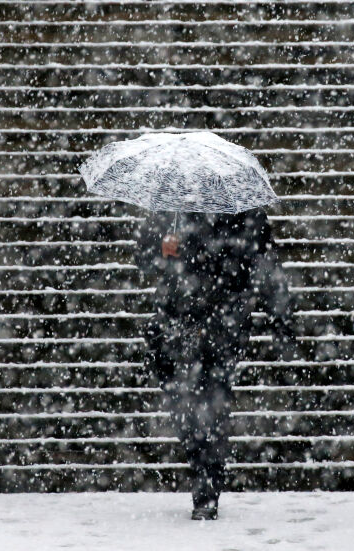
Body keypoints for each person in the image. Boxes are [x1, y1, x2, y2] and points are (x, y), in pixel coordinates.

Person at [134, 207, 295, 521]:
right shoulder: (174, 211)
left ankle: (207, 486)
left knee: (212, 400)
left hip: (223, 323)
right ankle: (202, 465)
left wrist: (278, 319)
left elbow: (264, 266)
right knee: (187, 403)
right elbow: (144, 258)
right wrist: (162, 247)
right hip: (180, 321)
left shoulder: (247, 216)